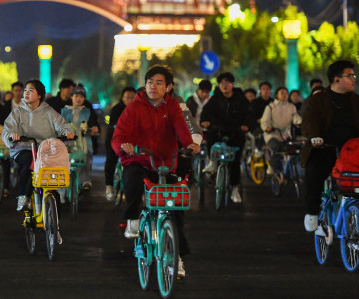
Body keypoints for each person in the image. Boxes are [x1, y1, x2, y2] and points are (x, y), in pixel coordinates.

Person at [112, 65, 199, 277]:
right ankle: (132, 219)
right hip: (139, 159)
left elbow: (182, 129)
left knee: (175, 208)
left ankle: (176, 257)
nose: (153, 86)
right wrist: (124, 146)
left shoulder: (173, 107)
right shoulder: (134, 107)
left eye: (159, 82)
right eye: (150, 82)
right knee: (132, 178)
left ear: (168, 87)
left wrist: (190, 145)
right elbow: (119, 135)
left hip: (165, 163)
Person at [300, 60, 359, 233]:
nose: (354, 79)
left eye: (354, 76)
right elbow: (309, 120)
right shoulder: (319, 100)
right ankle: (313, 213)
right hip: (325, 148)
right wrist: (315, 136)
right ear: (336, 79)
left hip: (353, 152)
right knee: (314, 173)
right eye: (349, 76)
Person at [2, 79, 74, 212]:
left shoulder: (49, 111)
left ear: (39, 95)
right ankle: (24, 196)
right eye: (25, 90)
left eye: (31, 90)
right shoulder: (18, 112)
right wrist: (13, 136)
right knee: (30, 160)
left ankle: (54, 216)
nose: (26, 93)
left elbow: (61, 125)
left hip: (45, 149)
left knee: (55, 166)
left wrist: (67, 132)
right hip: (24, 148)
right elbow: (7, 129)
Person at [200, 72, 250, 203]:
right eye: (221, 83)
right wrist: (205, 121)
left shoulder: (241, 99)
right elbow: (205, 112)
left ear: (232, 84)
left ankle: (234, 190)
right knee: (211, 136)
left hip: (236, 132)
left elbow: (249, 114)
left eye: (227, 82)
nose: (224, 85)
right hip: (218, 130)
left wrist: (246, 125)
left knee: (235, 161)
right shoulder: (215, 98)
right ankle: (212, 162)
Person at [60, 84, 99, 190]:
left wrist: (94, 128)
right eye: (76, 96)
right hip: (68, 141)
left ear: (84, 99)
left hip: (83, 140)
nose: (78, 99)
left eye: (81, 97)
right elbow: (59, 125)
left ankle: (86, 180)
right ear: (71, 97)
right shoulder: (64, 111)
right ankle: (62, 185)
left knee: (85, 157)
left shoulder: (87, 111)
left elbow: (94, 123)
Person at [261, 87, 302, 177]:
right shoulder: (270, 106)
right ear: (276, 95)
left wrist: (300, 122)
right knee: (277, 147)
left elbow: (295, 117)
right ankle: (273, 166)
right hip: (272, 134)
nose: (284, 95)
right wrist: (267, 127)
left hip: (286, 135)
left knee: (294, 149)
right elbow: (265, 120)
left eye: (286, 93)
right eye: (282, 93)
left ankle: (291, 170)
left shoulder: (291, 107)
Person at [105, 86, 136, 201]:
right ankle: (109, 186)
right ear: (122, 98)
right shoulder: (116, 109)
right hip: (114, 139)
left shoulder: (137, 109)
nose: (129, 100)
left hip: (132, 140)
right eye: (127, 97)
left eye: (132, 97)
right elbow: (111, 123)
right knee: (110, 161)